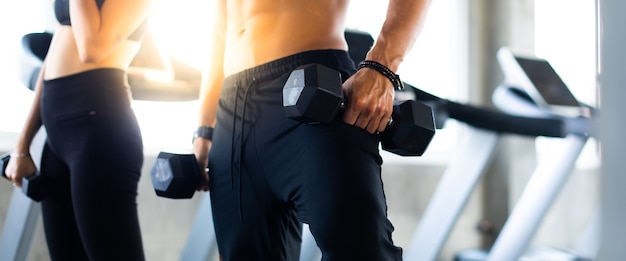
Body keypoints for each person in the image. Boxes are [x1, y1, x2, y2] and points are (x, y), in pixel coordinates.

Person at [192, 0, 432, 260]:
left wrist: (381, 68)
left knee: (361, 251)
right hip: (232, 109)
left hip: (313, 87)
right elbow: (220, 27)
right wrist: (205, 128)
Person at [4, 0, 157, 259]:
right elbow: (52, 57)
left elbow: (91, 48)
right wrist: (22, 146)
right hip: (56, 136)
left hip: (98, 133)